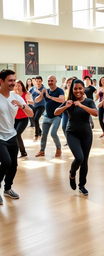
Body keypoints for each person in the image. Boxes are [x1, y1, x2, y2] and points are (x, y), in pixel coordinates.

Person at [54, 79, 98, 196]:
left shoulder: (88, 101)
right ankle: (72, 174)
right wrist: (65, 106)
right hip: (72, 133)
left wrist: (81, 105)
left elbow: (95, 113)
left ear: (83, 89)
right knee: (79, 158)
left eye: (80, 88)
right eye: (75, 88)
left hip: (86, 134)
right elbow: (55, 112)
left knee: (85, 161)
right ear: (72, 90)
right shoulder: (69, 101)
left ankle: (82, 185)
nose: (78, 91)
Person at [0, 69, 33, 204]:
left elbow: (31, 114)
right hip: (0, 138)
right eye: (10, 80)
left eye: (14, 80)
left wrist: (22, 105)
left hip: (11, 135)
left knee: (13, 165)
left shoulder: (16, 97)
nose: (13, 83)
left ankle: (8, 188)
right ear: (1, 81)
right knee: (6, 162)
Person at [35, 75, 65, 158]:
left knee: (53, 133)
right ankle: (42, 151)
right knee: (44, 134)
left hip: (57, 116)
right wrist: (41, 94)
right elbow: (36, 100)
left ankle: (59, 149)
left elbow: (62, 100)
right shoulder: (46, 91)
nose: (50, 82)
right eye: (48, 81)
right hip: (46, 116)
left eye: (52, 80)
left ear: (55, 81)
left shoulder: (60, 90)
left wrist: (49, 97)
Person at [14, 80, 31, 157]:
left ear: (22, 86)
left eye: (19, 85)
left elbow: (31, 101)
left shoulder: (25, 94)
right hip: (15, 118)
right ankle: (14, 151)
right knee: (13, 135)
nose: (17, 87)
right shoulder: (13, 95)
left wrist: (28, 102)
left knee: (17, 134)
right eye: (16, 85)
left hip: (24, 118)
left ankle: (23, 152)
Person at [29, 76, 46, 140]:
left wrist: (38, 91)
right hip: (34, 105)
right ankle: (40, 131)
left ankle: (37, 134)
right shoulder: (33, 88)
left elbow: (44, 96)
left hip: (41, 106)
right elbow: (28, 93)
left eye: (39, 81)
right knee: (33, 119)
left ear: (42, 81)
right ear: (35, 81)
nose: (38, 83)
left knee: (36, 119)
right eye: (37, 81)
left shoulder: (44, 88)